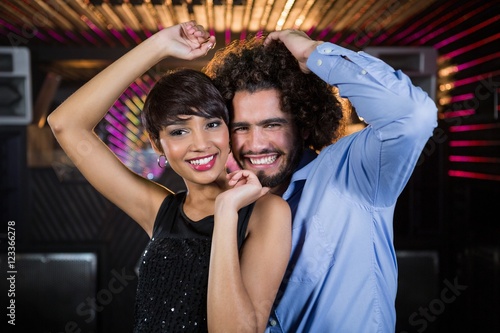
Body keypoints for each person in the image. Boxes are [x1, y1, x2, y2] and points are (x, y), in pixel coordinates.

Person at [47, 21, 291, 333]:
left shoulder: (266, 213)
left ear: (229, 130)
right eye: (178, 131)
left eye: (212, 124)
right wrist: (159, 45)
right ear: (156, 143)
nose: (200, 143)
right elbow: (67, 124)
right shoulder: (161, 210)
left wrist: (227, 212)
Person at [203, 29, 438, 332]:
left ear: (303, 124)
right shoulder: (229, 205)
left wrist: (311, 51)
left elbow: (412, 114)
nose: (255, 144)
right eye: (241, 128)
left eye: (272, 124)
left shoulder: (353, 173)